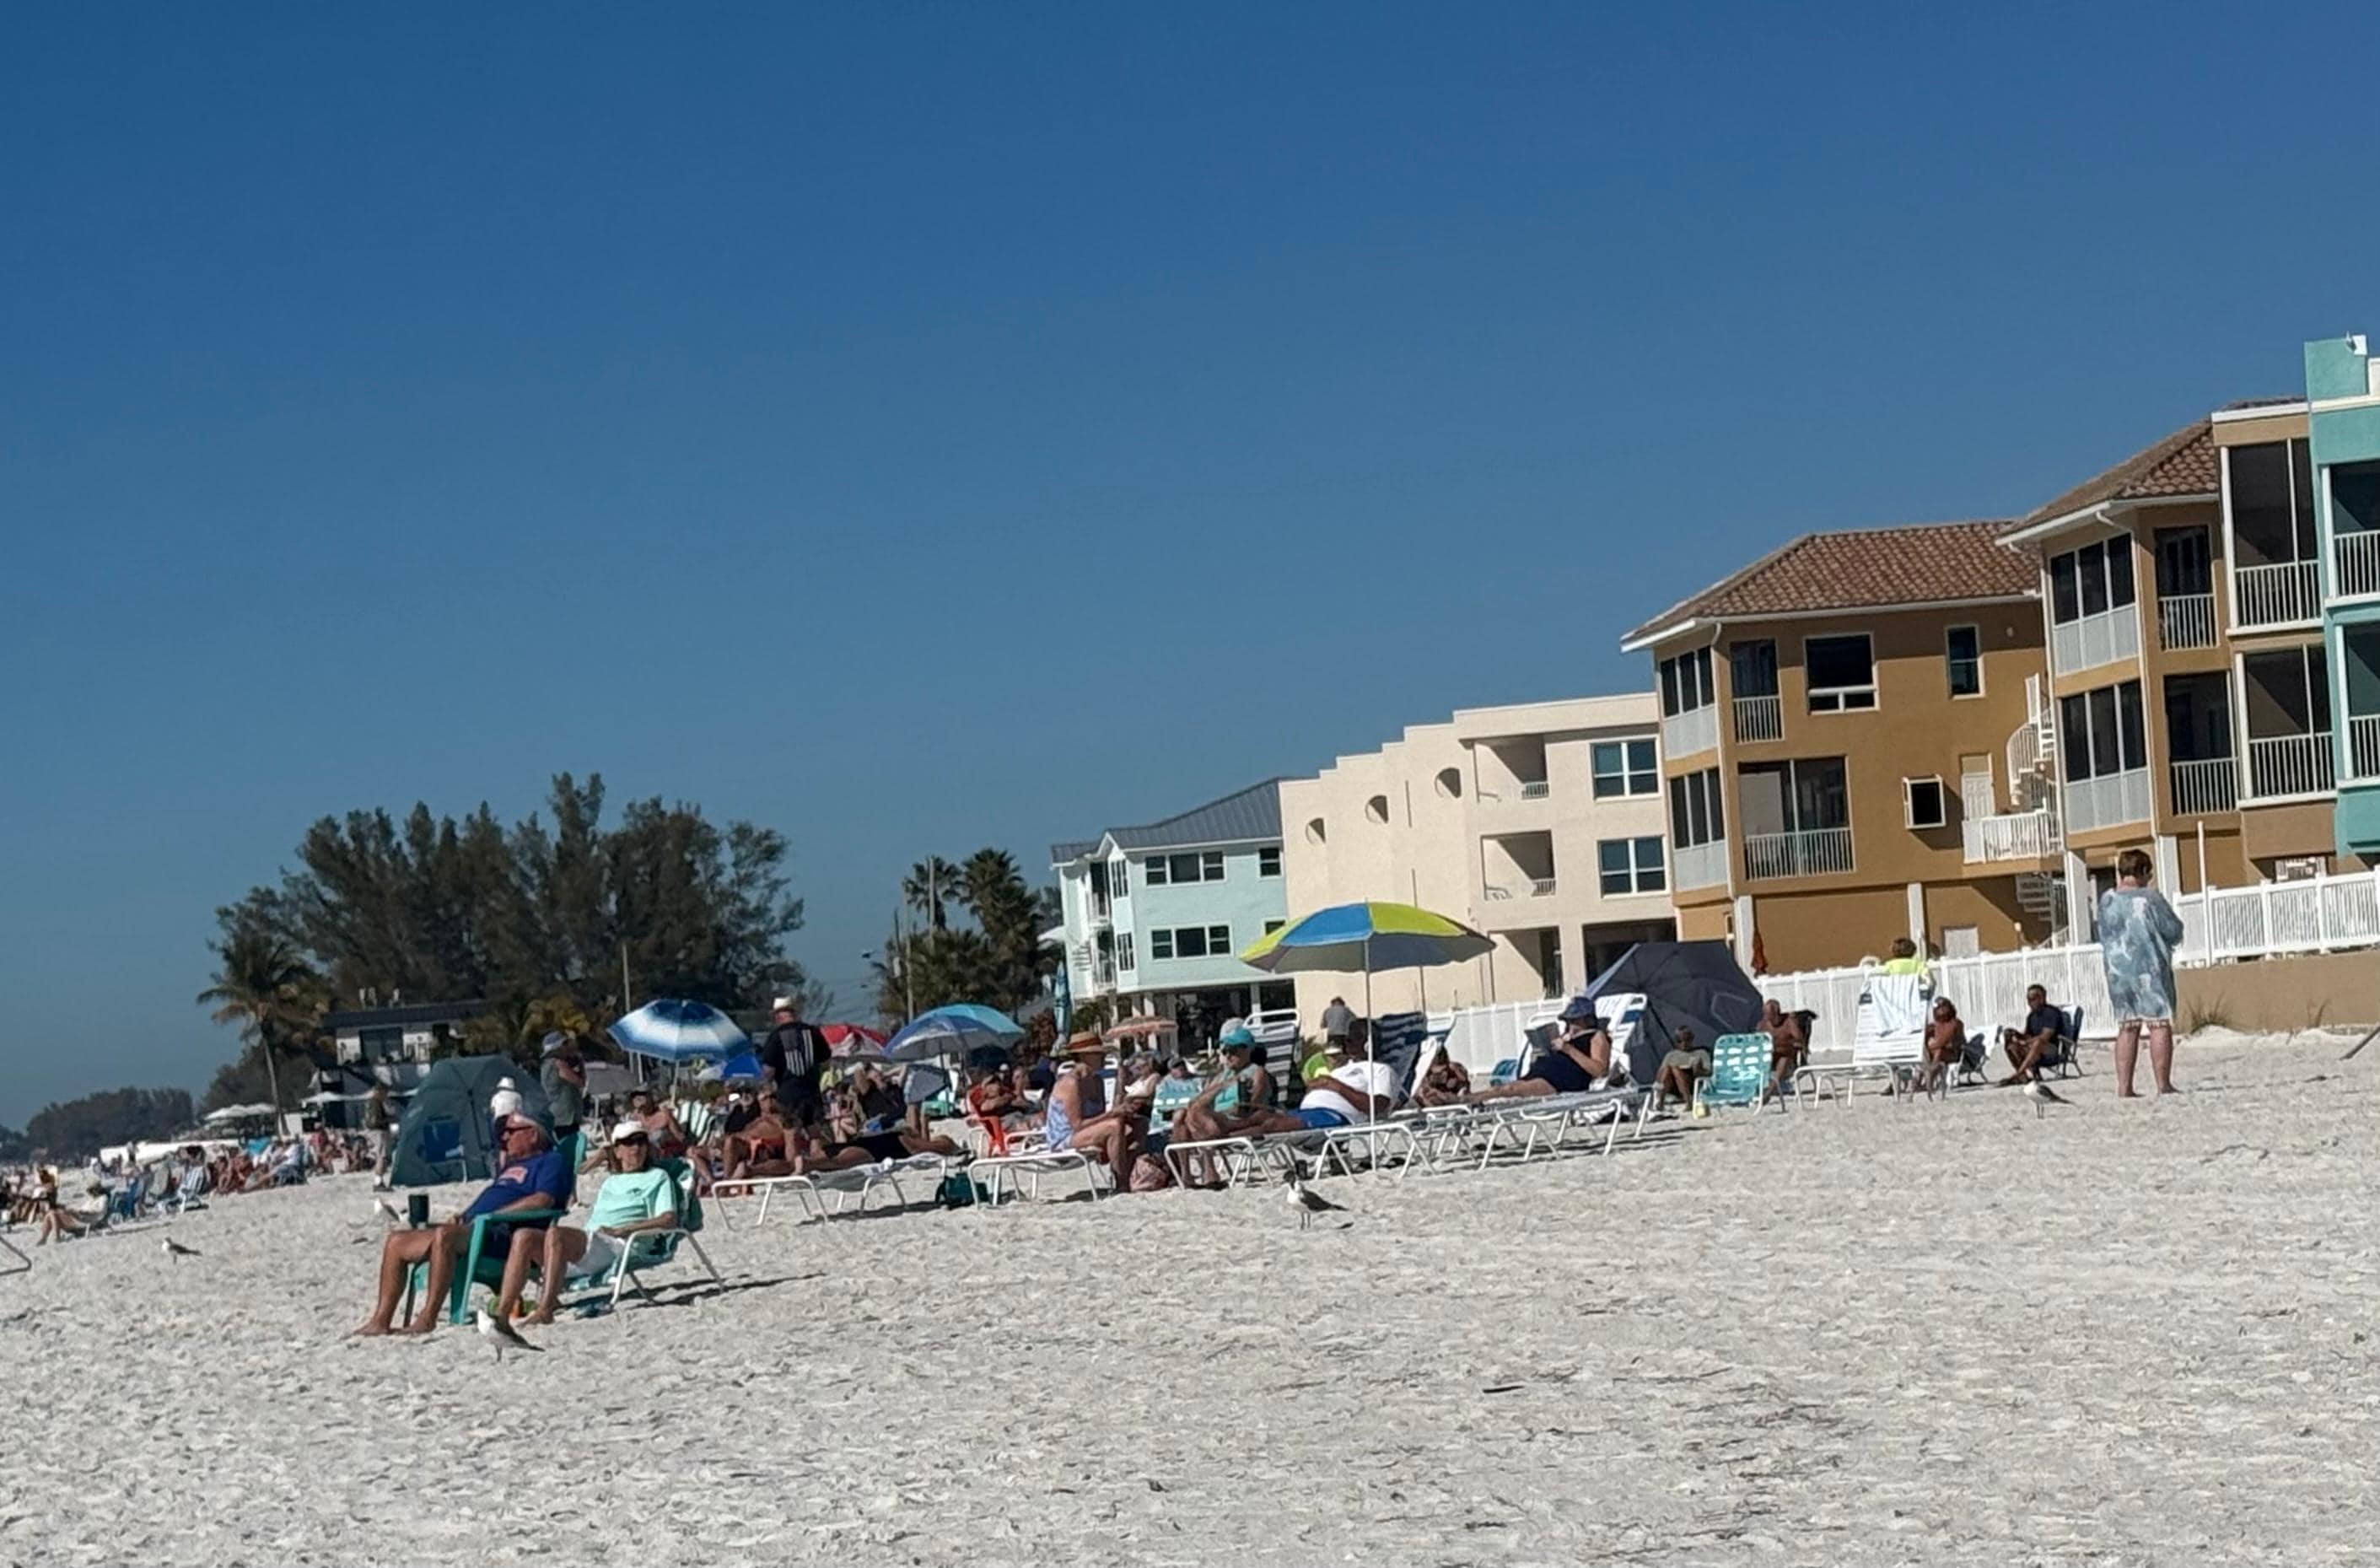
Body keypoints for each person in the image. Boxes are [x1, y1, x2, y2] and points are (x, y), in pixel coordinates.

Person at [354, 1114, 573, 1336]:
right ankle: (380, 1320)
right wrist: (464, 1216)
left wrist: (493, 1215)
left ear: (533, 1134)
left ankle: (427, 1318)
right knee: (396, 1241)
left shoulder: (551, 1162)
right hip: (472, 1229)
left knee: (445, 1236)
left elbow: (543, 1200)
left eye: (510, 1132)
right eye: (502, 1134)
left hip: (501, 1234)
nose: (504, 1138)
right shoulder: (510, 1167)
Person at [498, 1121, 687, 1326]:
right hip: (594, 1243)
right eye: (629, 1143)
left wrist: (624, 1229)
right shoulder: (610, 1182)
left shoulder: (657, 1177)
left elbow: (669, 1219)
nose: (636, 1148)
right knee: (523, 1236)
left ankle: (545, 1309)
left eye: (641, 1142)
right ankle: (502, 1313)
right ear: (617, 1151)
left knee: (556, 1234)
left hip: (623, 1244)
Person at [2100, 847, 2184, 1097]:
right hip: (2149, 969)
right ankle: (2163, 1084)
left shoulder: (2107, 900)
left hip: (2117, 971)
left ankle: (2124, 1087)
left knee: (2127, 1026)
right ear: (2143, 871)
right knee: (2159, 1024)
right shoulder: (2150, 898)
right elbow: (2173, 931)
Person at [1042, 1032, 1147, 1180]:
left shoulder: (1097, 1081)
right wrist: (1113, 1114)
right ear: (1084, 1056)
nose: (1104, 1056)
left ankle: (1126, 1172)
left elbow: (1100, 1118)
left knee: (1140, 1124)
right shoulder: (1071, 1083)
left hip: (1085, 1133)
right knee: (1114, 1126)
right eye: (1098, 1053)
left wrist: (1122, 1095)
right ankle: (1121, 1180)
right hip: (1064, 1139)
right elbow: (1077, 1125)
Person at [1467, 1006, 1614, 1102]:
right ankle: (1465, 1100)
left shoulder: (1597, 1036)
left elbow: (1600, 1070)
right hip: (1544, 1073)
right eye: (1568, 1021)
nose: (1570, 1024)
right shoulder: (1566, 1037)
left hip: (1562, 1080)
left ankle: (1466, 1101)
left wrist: (1568, 1049)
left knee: (1509, 1091)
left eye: (1574, 1020)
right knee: (1501, 1089)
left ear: (1587, 1020)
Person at [758, 994, 829, 1129]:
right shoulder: (813, 1032)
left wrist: (765, 1087)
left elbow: (769, 1070)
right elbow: (825, 1058)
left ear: (778, 1016)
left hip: (788, 1096)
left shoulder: (775, 1037)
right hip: (812, 1092)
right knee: (815, 1132)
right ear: (794, 1013)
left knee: (792, 1134)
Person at [1998, 984, 2069, 1086]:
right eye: (2028, 999)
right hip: (2035, 1050)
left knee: (2038, 1042)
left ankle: (2018, 1074)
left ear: (2041, 998)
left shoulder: (2051, 1013)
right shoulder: (2031, 1016)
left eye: (2032, 999)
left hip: (2053, 1051)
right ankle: (2023, 1076)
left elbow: (2045, 1037)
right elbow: (2027, 1035)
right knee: (2011, 1044)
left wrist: (2025, 1042)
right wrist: (2015, 1035)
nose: (2029, 1003)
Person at [540, 1032, 587, 1146]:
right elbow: (579, 1082)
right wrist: (581, 1063)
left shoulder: (546, 1065)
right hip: (565, 1117)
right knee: (570, 1149)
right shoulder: (558, 1064)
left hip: (557, 1115)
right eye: (565, 1045)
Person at [1914, 996, 1966, 1095]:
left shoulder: (1955, 1023)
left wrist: (1932, 1046)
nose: (1941, 1011)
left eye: (1943, 1008)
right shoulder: (1934, 1025)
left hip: (1953, 1054)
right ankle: (1918, 1081)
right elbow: (1923, 1039)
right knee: (1922, 1050)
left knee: (1939, 1052)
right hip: (1935, 1053)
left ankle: (1930, 1080)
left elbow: (1944, 1041)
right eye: (1938, 1008)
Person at [1652, 1026, 1710, 1107]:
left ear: (1692, 1039)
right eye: (1679, 1041)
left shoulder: (1701, 1053)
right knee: (1670, 1068)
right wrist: (1663, 1071)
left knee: (1675, 1069)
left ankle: (1688, 1101)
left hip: (1692, 1084)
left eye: (1687, 1039)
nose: (1684, 1043)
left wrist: (1698, 1070)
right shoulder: (1671, 1055)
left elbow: (1709, 1073)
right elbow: (1659, 1077)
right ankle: (1661, 1100)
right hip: (1673, 1087)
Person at [1761, 1000, 1807, 1086]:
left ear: (1776, 1013)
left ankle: (1770, 1090)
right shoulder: (1763, 1024)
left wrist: (1784, 1045)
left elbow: (1800, 1040)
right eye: (1765, 1013)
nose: (1766, 1016)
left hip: (1787, 1058)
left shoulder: (1789, 1022)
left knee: (1784, 1060)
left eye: (1768, 1014)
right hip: (1770, 1057)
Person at [363, 1083, 395, 1191]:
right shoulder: (375, 1103)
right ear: (380, 1092)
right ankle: (378, 1183)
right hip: (378, 1132)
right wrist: (388, 1119)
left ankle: (379, 1182)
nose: (386, 1095)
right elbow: (374, 1121)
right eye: (385, 1093)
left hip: (374, 1132)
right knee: (382, 1157)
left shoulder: (371, 1103)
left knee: (381, 1157)